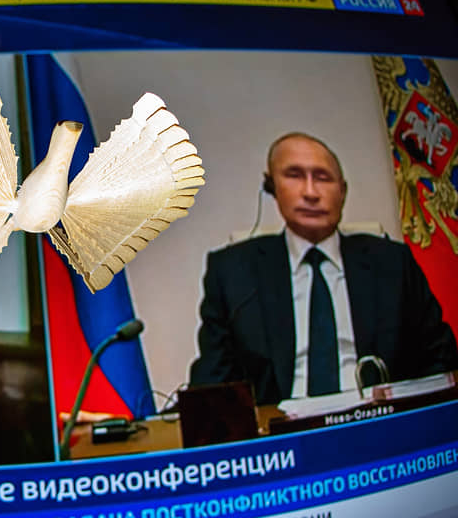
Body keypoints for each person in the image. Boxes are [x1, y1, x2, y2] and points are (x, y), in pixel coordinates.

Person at [190, 132, 458, 405]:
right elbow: (213, 382)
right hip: (281, 426)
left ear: (343, 192)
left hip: (378, 419)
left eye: (323, 178)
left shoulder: (393, 262)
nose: (310, 193)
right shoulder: (233, 272)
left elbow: (441, 361)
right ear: (272, 187)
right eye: (294, 175)